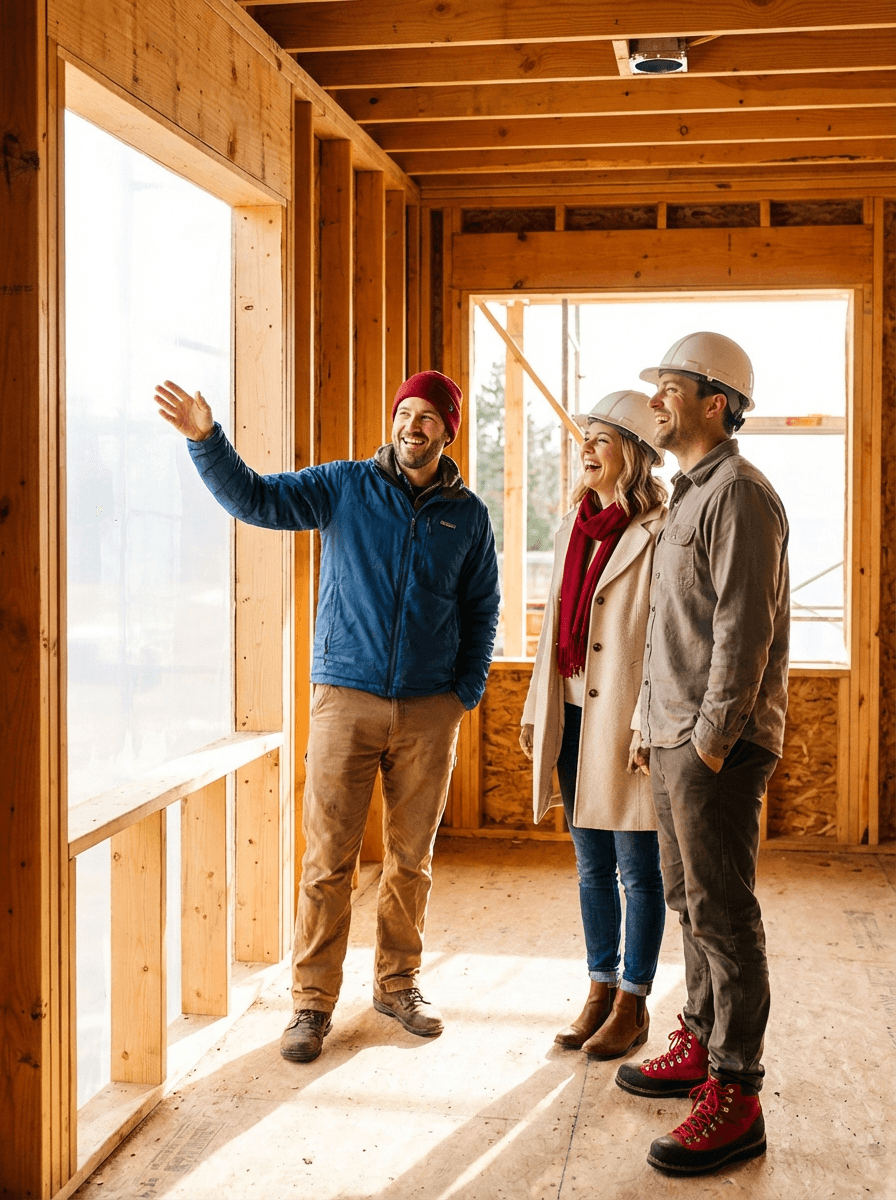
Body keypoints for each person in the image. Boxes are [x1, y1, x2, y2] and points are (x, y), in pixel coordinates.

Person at [153, 370, 499, 1063]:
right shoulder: (344, 485)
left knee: (411, 861)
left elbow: (482, 608)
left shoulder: (469, 515)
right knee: (327, 862)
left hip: (430, 709)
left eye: (429, 416)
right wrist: (205, 440)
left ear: (448, 431)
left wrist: (463, 691)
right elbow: (255, 499)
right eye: (405, 411)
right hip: (346, 697)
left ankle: (398, 985)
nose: (413, 425)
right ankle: (311, 1005)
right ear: (392, 420)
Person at [616, 333, 790, 1177]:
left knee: (724, 914)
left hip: (712, 744)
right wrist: (654, 727)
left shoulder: (742, 495)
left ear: (715, 402)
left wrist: (711, 743)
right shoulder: (688, 494)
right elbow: (673, 631)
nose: (655, 399)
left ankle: (737, 1092)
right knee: (689, 903)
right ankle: (700, 1039)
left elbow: (742, 627)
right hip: (675, 735)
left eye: (670, 386)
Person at [519, 390, 667, 1059]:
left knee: (638, 867)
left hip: (627, 723)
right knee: (590, 866)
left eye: (602, 439)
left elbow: (667, 638)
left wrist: (648, 722)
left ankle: (635, 1002)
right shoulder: (571, 526)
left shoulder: (660, 530)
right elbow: (554, 630)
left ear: (631, 455)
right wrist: (535, 708)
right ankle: (599, 989)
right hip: (575, 714)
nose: (587, 448)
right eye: (586, 437)